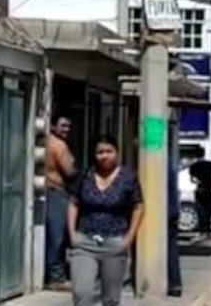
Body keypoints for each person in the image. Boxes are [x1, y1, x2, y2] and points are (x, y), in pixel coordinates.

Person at [68, 135, 143, 306]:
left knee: (110, 299)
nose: (104, 156)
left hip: (115, 243)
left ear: (116, 153)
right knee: (82, 294)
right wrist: (72, 233)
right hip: (85, 242)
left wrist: (129, 238)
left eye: (109, 151)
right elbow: (73, 203)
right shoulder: (85, 175)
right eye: (100, 152)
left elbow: (138, 206)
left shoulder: (128, 178)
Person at [45, 116, 77, 291]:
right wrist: (74, 166)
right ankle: (56, 277)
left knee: (51, 236)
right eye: (63, 125)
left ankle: (52, 273)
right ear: (53, 125)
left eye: (68, 126)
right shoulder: (59, 146)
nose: (66, 129)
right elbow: (69, 171)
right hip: (56, 192)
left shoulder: (46, 141)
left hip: (47, 191)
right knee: (57, 237)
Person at [187, 146, 211, 238]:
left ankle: (201, 230)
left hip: (199, 190)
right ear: (204, 154)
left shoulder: (193, 166)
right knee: (209, 211)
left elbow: (192, 179)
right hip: (209, 190)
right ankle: (208, 230)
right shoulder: (210, 164)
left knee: (200, 210)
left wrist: (198, 182)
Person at [166, 135, 182, 297]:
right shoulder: (170, 162)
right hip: (171, 209)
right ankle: (175, 283)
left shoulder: (155, 161)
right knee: (171, 249)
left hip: (163, 210)